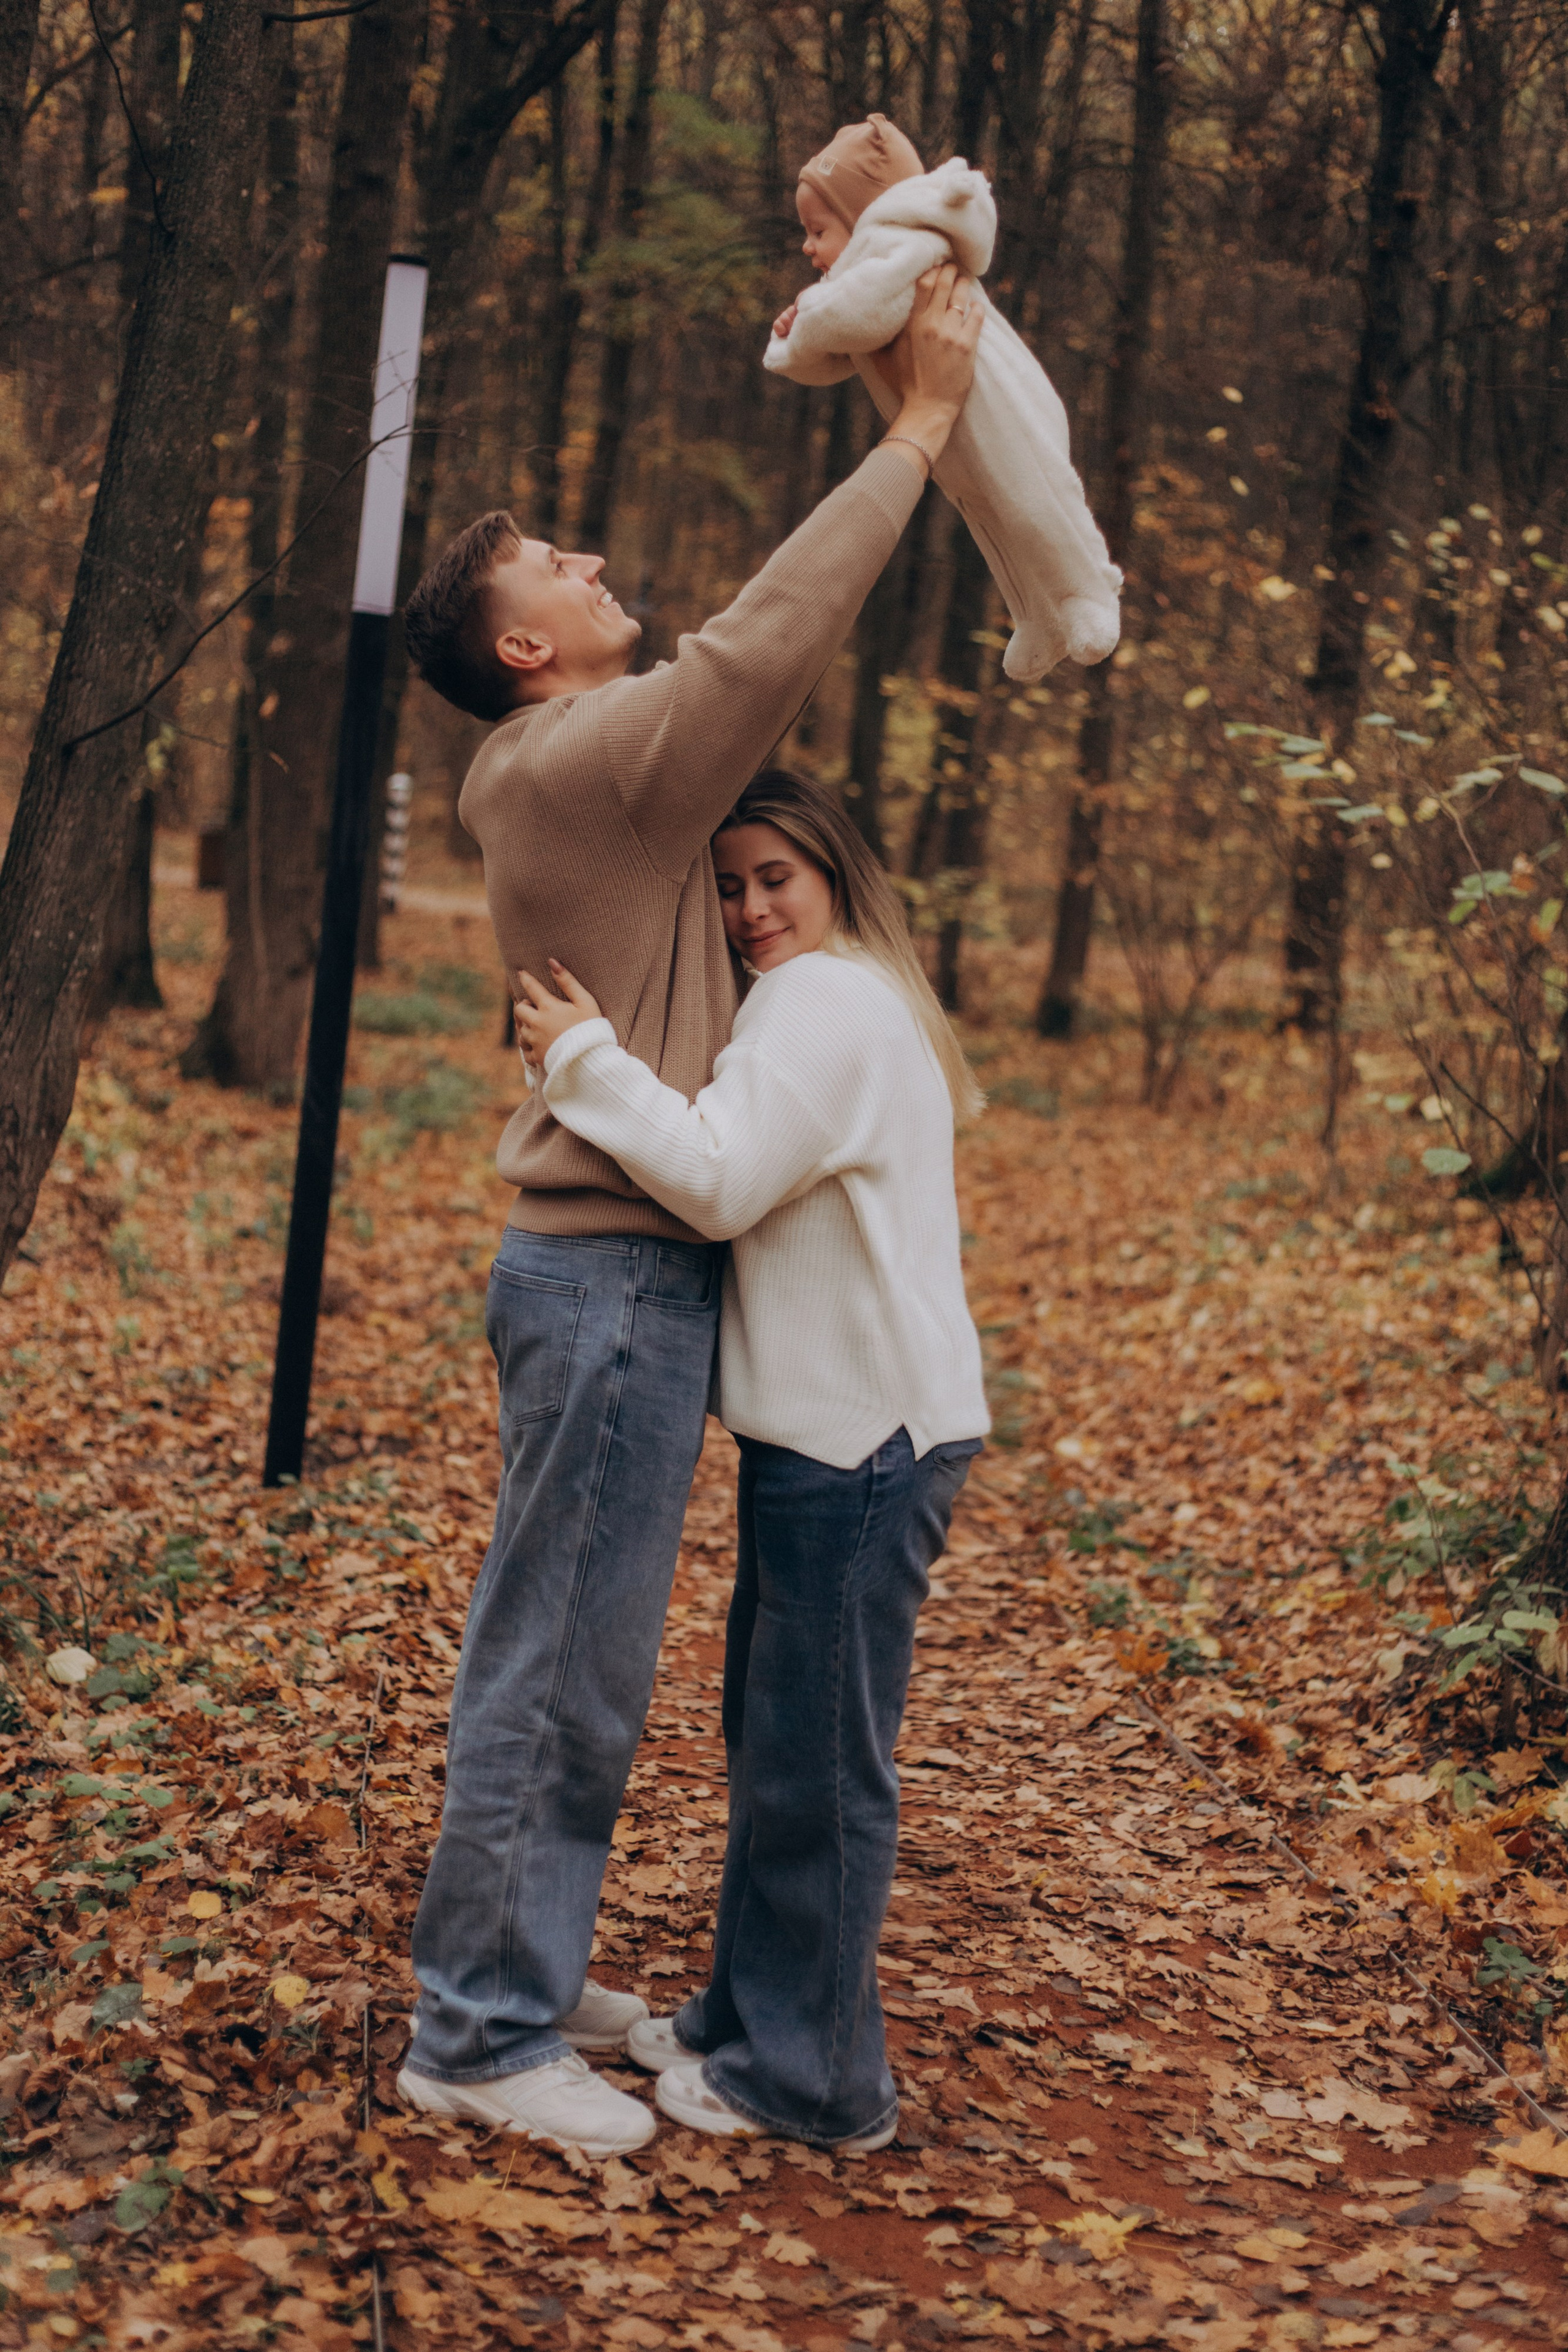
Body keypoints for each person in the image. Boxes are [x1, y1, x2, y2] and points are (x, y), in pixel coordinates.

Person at [391, 266, 982, 2159]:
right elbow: (763, 643)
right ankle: (477, 2033)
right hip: (610, 1276)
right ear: (531, 650)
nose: (586, 559)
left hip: (622, 1280)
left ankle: (525, 1962)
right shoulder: (594, 754)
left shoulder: (569, 771)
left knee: (574, 1652)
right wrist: (913, 434)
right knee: (561, 1660)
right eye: (552, 561)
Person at [511, 769, 989, 2150]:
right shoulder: (822, 997)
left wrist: (584, 1060)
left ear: (833, 870)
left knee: (817, 1766)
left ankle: (816, 2083)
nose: (748, 908)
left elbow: (716, 1177)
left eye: (772, 875)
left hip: (863, 1442)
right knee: (776, 1744)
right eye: (725, 886)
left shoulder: (826, 1001)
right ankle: (743, 2016)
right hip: (834, 1436)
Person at [767, 113, 1121, 682]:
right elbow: (827, 357)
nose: (809, 248)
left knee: (1037, 503)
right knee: (989, 518)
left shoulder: (904, 248)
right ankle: (1036, 617)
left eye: (819, 230)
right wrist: (798, 332)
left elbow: (857, 318)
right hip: (956, 428)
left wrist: (807, 317)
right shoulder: (867, 268)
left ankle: (1091, 593)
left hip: (1004, 410)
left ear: (865, 217)